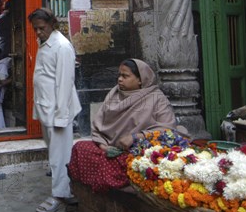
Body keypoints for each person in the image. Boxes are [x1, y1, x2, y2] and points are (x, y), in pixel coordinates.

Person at [67, 59, 187, 193]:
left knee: (142, 164)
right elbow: (99, 126)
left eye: (125, 76)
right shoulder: (114, 94)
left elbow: (168, 128)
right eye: (119, 75)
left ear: (140, 80)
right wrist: (103, 146)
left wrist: (136, 137)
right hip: (110, 148)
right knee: (79, 148)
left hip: (139, 151)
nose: (119, 79)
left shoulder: (156, 98)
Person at [28, 8, 82, 212]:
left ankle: (59, 195)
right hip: (46, 107)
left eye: (42, 28)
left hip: (58, 110)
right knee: (54, 152)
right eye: (36, 29)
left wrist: (61, 116)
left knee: (59, 155)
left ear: (53, 25)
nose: (38, 33)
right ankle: (64, 188)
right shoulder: (45, 43)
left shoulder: (62, 46)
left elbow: (65, 83)